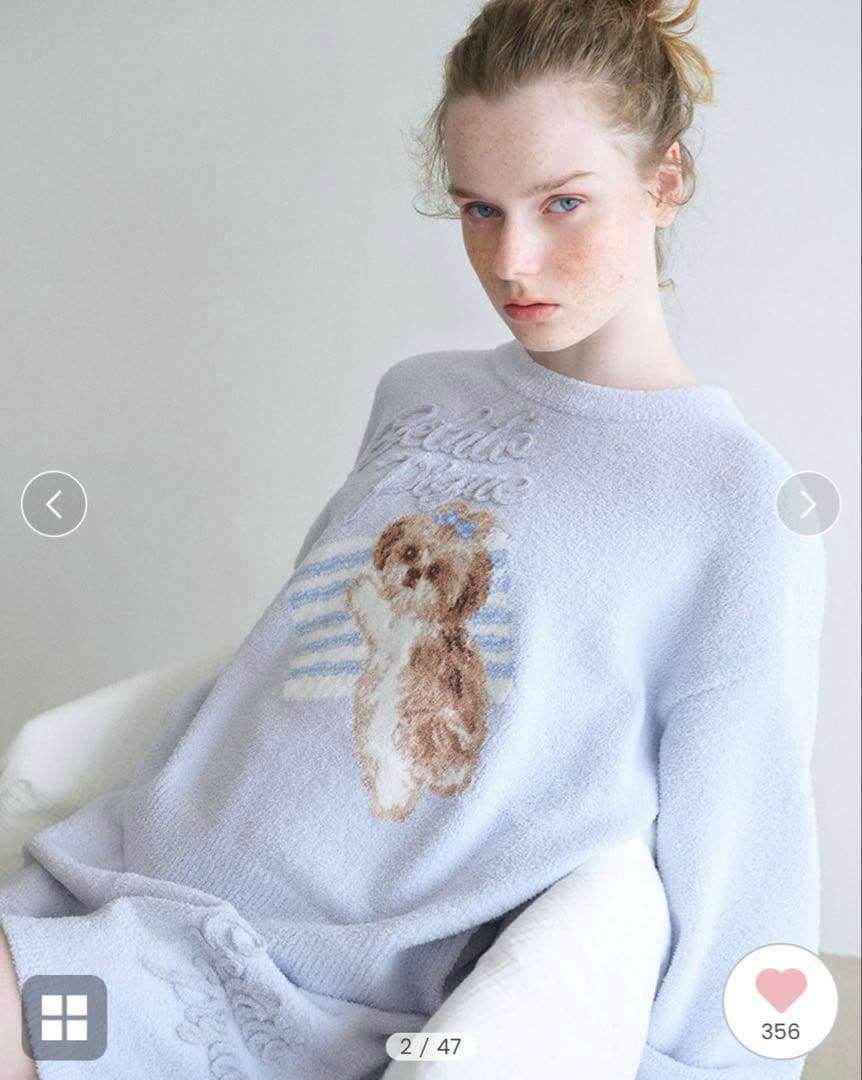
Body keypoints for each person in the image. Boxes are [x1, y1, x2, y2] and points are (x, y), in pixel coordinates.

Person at [1, 2, 826, 1078]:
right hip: (124, 865)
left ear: (663, 181)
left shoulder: (733, 504)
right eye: (479, 209)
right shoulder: (418, 393)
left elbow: (743, 864)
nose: (512, 260)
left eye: (562, 203)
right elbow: (301, 661)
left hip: (298, 983)